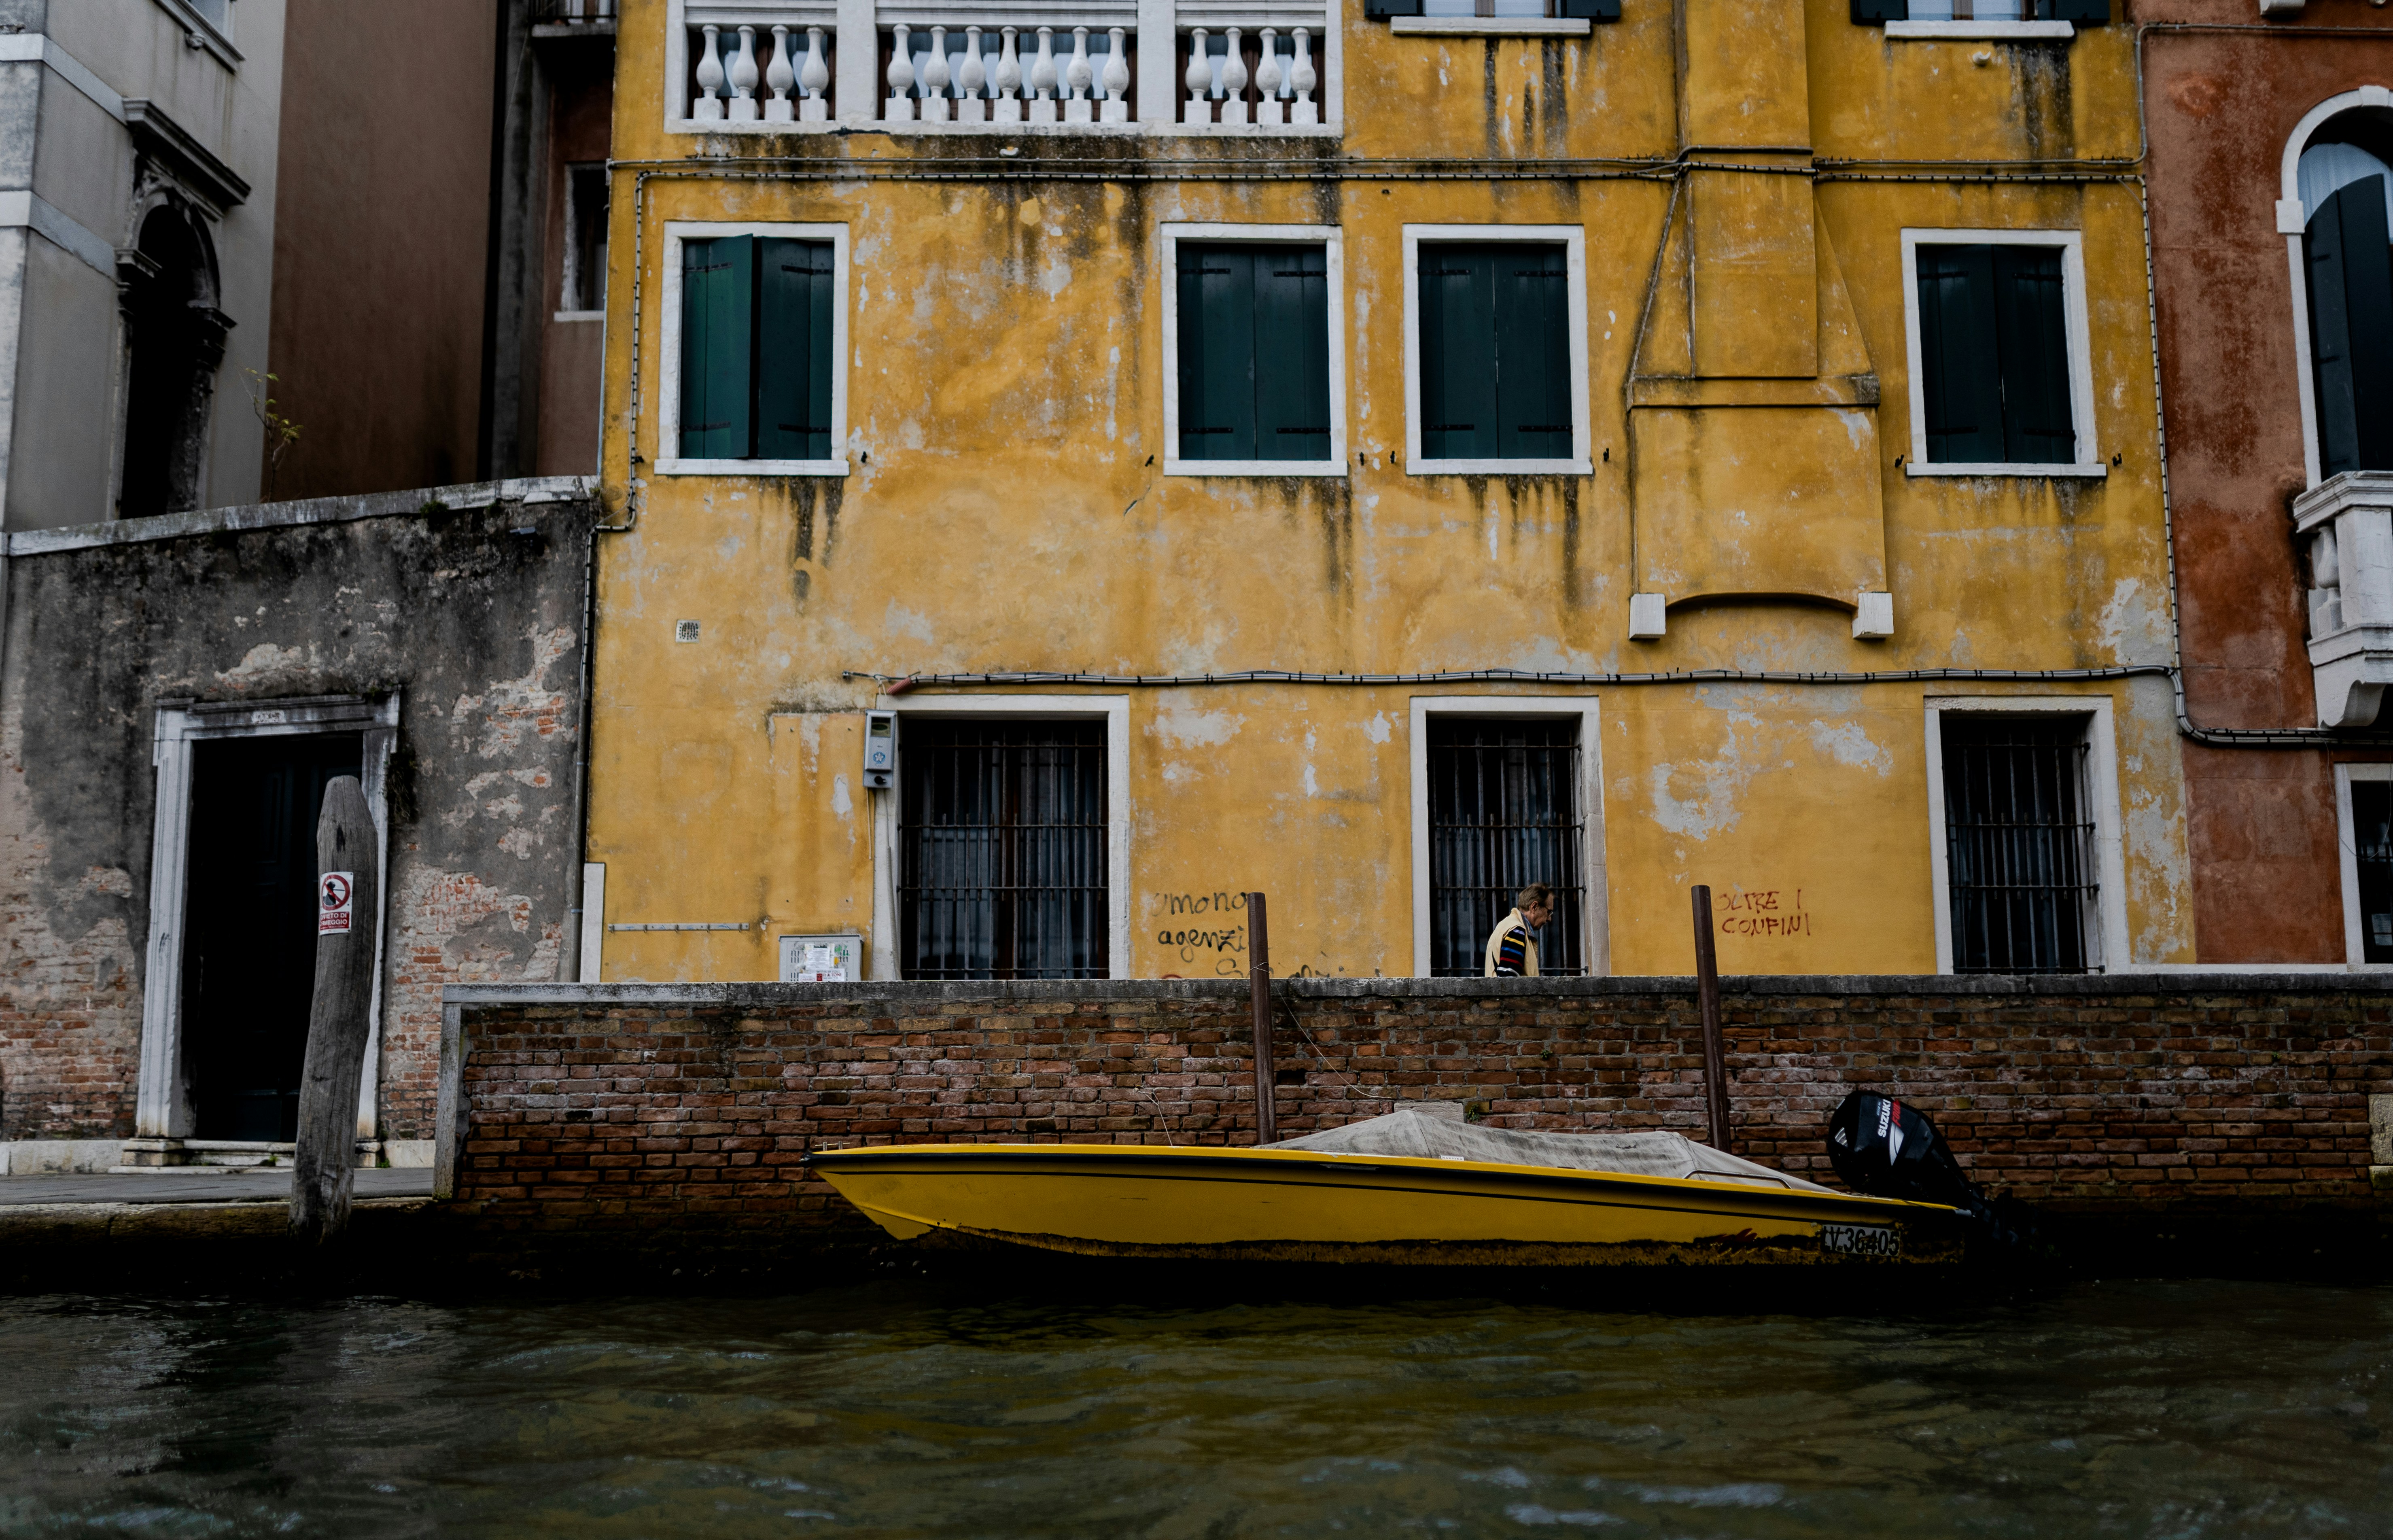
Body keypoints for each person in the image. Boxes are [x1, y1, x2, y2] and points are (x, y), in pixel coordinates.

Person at [1483, 883, 1555, 977]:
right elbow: (1509, 983)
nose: (1549, 919)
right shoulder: (1517, 931)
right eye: (1549, 912)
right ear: (1534, 907)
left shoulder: (1509, 926)